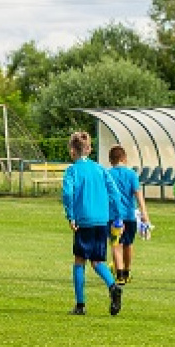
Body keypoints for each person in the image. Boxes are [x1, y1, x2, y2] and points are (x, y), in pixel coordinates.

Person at [61, 131, 124, 317]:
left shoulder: (72, 171)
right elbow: (115, 193)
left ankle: (80, 305)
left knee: (79, 260)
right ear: (88, 149)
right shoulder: (100, 169)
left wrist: (71, 216)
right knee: (97, 261)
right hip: (101, 220)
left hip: (84, 220)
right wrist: (117, 217)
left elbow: (67, 194)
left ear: (73, 151)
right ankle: (113, 286)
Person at [107, 144, 150, 285]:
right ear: (124, 158)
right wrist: (144, 213)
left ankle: (119, 274)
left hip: (113, 216)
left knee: (116, 244)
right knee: (128, 244)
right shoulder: (132, 174)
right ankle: (126, 271)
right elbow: (138, 195)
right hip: (130, 216)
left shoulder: (108, 174)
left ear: (111, 160)